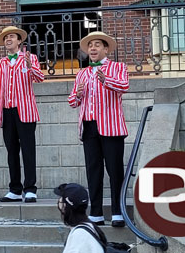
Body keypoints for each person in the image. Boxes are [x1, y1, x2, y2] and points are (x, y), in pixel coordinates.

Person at [67, 31, 129, 227]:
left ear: (106, 49)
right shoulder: (83, 73)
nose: (92, 48)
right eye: (90, 46)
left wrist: (105, 80)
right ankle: (96, 212)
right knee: (93, 171)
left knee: (115, 170)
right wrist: (77, 94)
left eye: (97, 45)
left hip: (111, 126)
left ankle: (118, 212)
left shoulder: (118, 67)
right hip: (89, 126)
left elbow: (124, 86)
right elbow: (72, 102)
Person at [0, 25, 44, 203]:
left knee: (28, 150)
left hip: (26, 110)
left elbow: (39, 78)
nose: (8, 40)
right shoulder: (0, 64)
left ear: (19, 40)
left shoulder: (30, 58)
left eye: (12, 37)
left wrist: (30, 66)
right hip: (7, 111)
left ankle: (30, 189)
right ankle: (14, 189)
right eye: (6, 38)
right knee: (11, 151)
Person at [55, 183, 105, 253]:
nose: (58, 201)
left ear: (66, 206)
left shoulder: (80, 235)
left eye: (61, 199)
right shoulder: (88, 227)